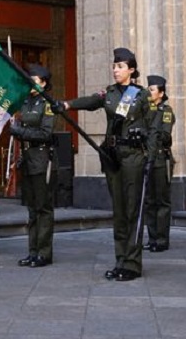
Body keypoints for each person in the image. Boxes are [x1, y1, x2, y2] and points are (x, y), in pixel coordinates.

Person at [59, 48, 158, 281]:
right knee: (120, 211)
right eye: (114, 66)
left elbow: (154, 128)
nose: (115, 70)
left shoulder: (141, 95)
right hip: (113, 156)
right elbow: (92, 101)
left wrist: (150, 157)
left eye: (120, 66)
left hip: (134, 157)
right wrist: (66, 104)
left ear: (131, 70)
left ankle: (132, 264)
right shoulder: (110, 93)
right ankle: (120, 260)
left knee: (133, 210)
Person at [11, 64, 56, 268]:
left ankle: (44, 253)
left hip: (40, 156)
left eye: (35, 80)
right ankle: (32, 251)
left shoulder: (47, 104)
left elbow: (45, 134)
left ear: (44, 83)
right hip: (27, 157)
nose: (30, 82)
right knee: (31, 208)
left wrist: (19, 131)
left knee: (42, 208)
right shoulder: (26, 101)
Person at [143, 75, 176, 252]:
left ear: (161, 93)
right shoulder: (146, 110)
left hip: (161, 160)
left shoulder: (166, 111)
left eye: (152, 90)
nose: (149, 92)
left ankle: (162, 240)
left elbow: (165, 136)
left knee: (161, 200)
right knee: (149, 201)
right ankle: (152, 237)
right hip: (147, 159)